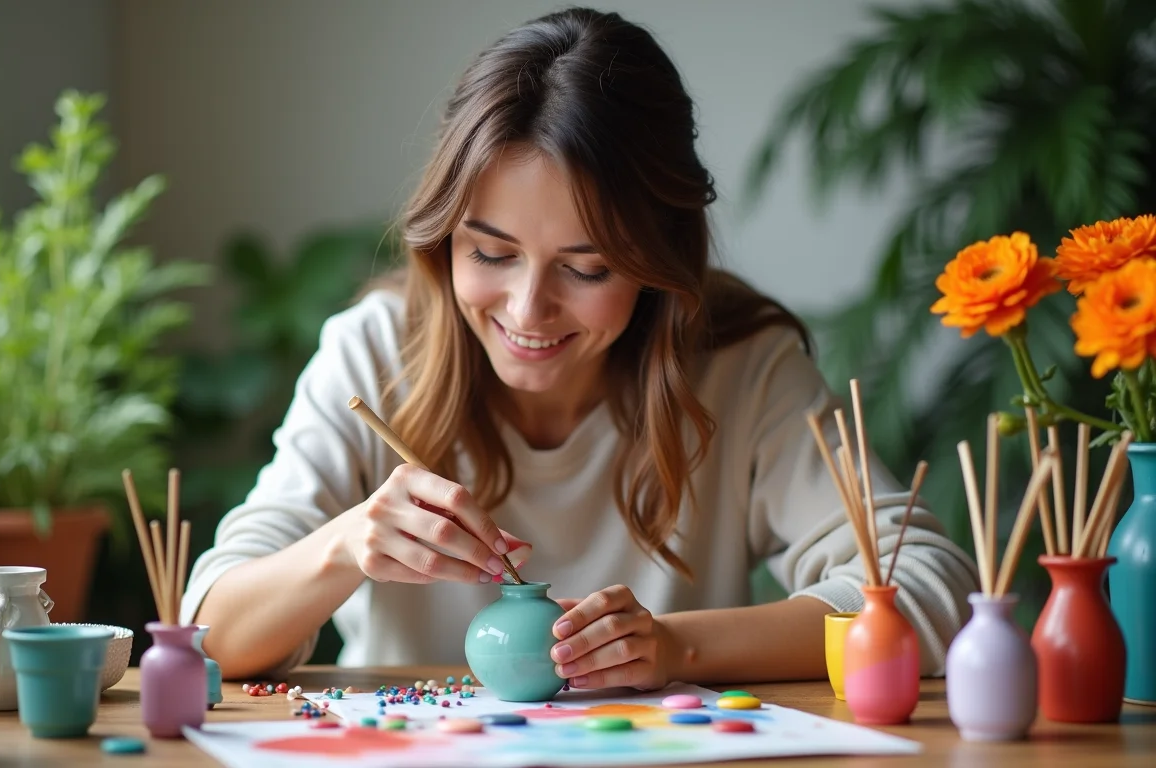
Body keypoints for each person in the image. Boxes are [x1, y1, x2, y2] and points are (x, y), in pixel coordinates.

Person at [183, 6, 979, 685]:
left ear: (657, 259)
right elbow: (208, 632)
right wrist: (344, 546)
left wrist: (679, 646)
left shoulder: (743, 369)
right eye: (490, 253)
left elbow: (929, 588)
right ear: (443, 239)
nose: (529, 308)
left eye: (587, 267)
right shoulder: (375, 354)